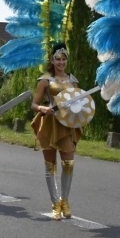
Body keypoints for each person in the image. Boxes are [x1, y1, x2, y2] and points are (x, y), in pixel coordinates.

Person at [29, 42, 81, 220]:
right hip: (50, 123)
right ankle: (55, 204)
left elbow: (79, 104)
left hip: (67, 125)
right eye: (58, 59)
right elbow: (34, 104)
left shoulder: (73, 80)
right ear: (52, 60)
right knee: (50, 165)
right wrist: (43, 109)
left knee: (68, 163)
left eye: (64, 58)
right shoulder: (45, 80)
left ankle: (64, 200)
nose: (61, 62)